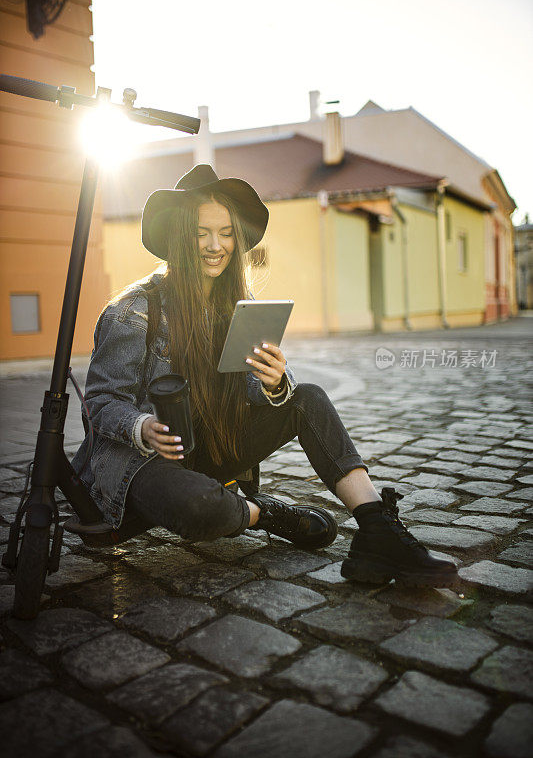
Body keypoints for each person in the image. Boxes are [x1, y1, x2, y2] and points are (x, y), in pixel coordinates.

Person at [72, 164, 458, 588]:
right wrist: (142, 426)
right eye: (201, 233)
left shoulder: (240, 305)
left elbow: (258, 390)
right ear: (181, 236)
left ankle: (377, 529)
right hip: (143, 466)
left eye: (225, 233)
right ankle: (265, 512)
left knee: (306, 396)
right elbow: (101, 403)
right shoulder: (132, 311)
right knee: (205, 509)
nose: (215, 245)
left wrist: (275, 382)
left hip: (210, 448)